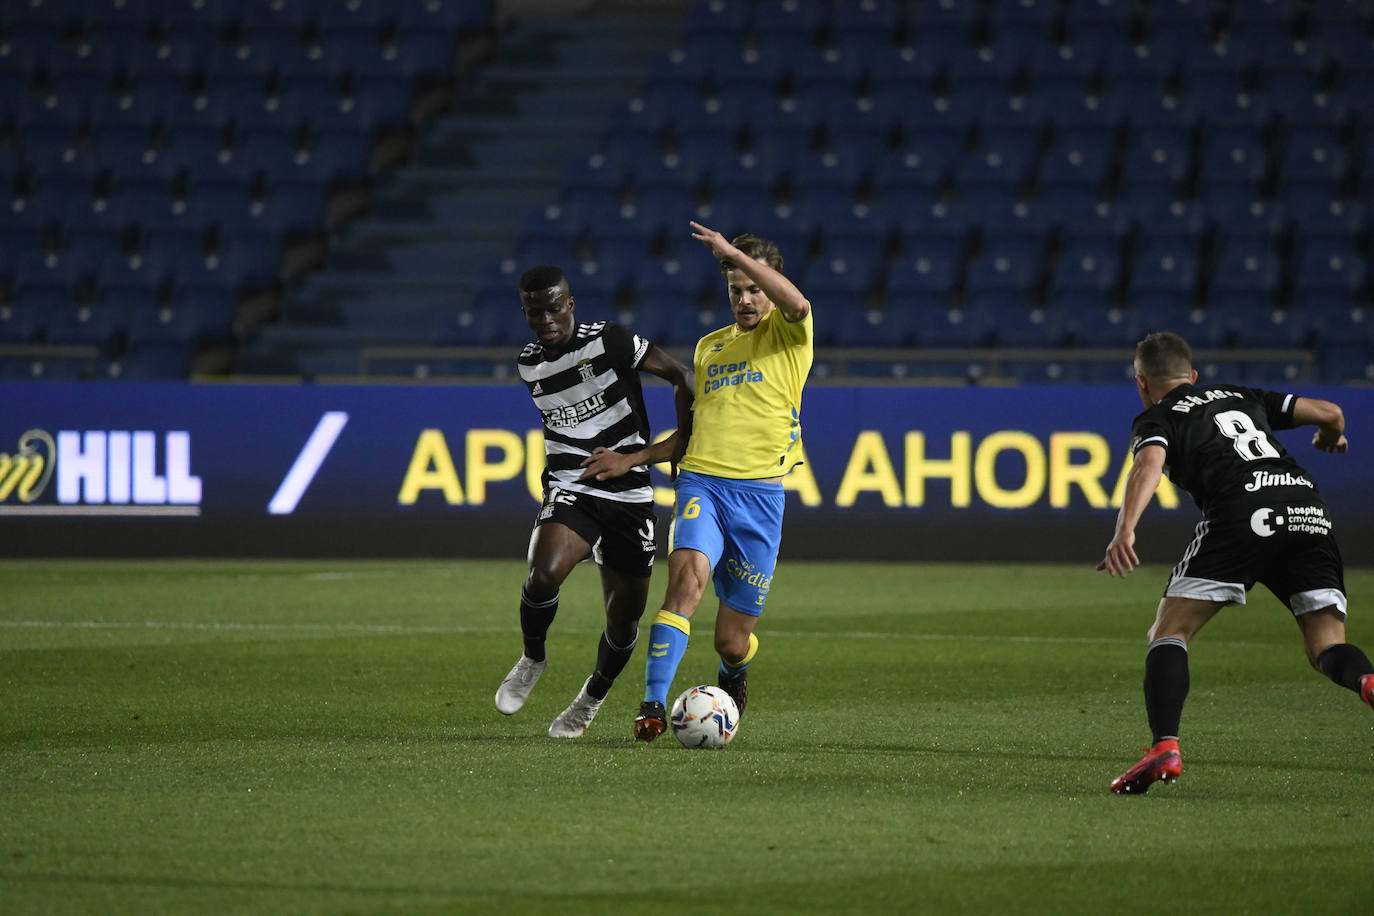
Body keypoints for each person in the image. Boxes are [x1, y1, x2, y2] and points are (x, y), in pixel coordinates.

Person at [1098, 331, 1374, 794]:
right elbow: (1331, 413)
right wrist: (1330, 437)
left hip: (1243, 511)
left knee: (1170, 631)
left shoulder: (1157, 416)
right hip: (1305, 506)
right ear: (1193, 376)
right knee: (1326, 646)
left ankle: (1164, 745)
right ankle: (1367, 680)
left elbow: (1147, 466)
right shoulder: (1244, 397)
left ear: (1142, 382)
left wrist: (1125, 528)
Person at [585, 221, 814, 742]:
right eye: (736, 290)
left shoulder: (790, 333)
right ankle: (651, 707)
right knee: (685, 585)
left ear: (771, 286)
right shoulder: (710, 349)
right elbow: (690, 435)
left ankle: (734, 676)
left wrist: (733, 252)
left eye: (755, 289)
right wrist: (636, 457)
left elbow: (796, 303)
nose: (746, 299)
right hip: (702, 485)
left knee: (731, 642)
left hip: (761, 497)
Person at [494, 264, 693, 738]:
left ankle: (590, 699)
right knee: (542, 575)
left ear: (571, 304)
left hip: (630, 494)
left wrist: (669, 449)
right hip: (574, 486)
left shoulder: (610, 341)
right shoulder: (528, 364)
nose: (546, 319)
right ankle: (532, 657)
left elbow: (683, 376)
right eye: (534, 311)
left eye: (554, 308)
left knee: (623, 623)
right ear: (525, 313)